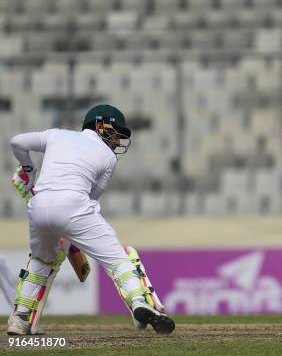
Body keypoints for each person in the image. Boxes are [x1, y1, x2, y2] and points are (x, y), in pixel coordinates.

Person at [6, 104, 175, 335]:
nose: (117, 142)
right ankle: (139, 302)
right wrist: (72, 230)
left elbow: (17, 142)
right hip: (74, 207)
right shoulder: (108, 157)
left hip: (38, 206)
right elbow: (90, 197)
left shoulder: (56, 135)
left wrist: (29, 167)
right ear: (100, 125)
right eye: (117, 133)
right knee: (119, 260)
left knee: (41, 261)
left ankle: (20, 319)